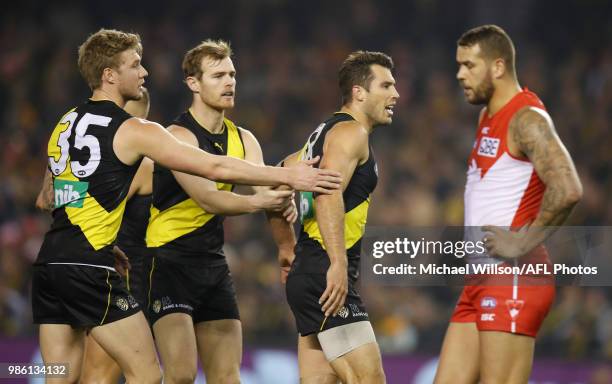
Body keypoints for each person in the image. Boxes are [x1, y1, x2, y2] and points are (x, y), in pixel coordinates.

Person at [32, 28, 340, 384]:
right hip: (92, 269)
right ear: (109, 75)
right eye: (135, 65)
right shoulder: (134, 129)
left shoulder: (65, 122)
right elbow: (214, 166)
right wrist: (292, 178)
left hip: (50, 264)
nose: (145, 73)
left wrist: (102, 237)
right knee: (147, 375)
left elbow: (49, 197)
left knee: (57, 377)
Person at [434, 25, 582, 384]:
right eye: (459, 65)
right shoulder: (486, 117)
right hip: (480, 279)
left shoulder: (527, 118)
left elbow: (568, 188)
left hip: (514, 275)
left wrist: (521, 242)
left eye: (469, 65)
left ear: (497, 67)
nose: (459, 74)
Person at [146, 39, 297, 384]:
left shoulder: (244, 139)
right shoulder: (176, 137)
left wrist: (286, 245)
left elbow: (268, 192)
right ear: (193, 83)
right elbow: (208, 198)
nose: (229, 82)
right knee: (181, 375)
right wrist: (262, 201)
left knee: (227, 377)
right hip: (168, 262)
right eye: (218, 76)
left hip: (212, 265)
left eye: (232, 74)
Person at [272, 50, 399, 384]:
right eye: (386, 85)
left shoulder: (323, 134)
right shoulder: (350, 133)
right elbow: (328, 192)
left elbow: (280, 174)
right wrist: (338, 264)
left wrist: (286, 247)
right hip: (323, 272)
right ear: (359, 92)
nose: (395, 94)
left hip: (309, 272)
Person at [36, 89, 153, 384]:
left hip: (62, 262)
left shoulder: (76, 156)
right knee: (103, 377)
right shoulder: (145, 165)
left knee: (62, 376)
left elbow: (46, 199)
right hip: (109, 274)